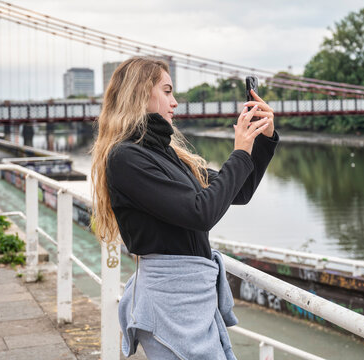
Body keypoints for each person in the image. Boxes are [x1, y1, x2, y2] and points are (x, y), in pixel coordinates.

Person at [90, 57, 278, 359]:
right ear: (140, 93)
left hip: (190, 297)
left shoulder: (167, 155)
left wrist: (263, 139)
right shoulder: (126, 158)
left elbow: (238, 191)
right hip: (170, 298)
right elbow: (200, 213)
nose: (175, 102)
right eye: (167, 91)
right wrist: (240, 150)